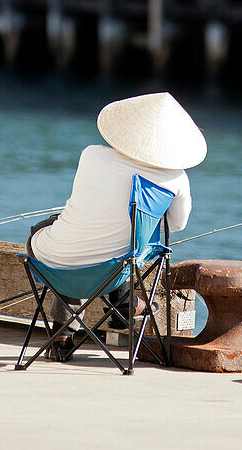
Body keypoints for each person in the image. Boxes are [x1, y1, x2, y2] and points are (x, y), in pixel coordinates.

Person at [26, 91, 207, 359]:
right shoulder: (176, 180)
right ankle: (126, 306)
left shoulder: (92, 155)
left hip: (53, 261)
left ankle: (63, 334)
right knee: (128, 248)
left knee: (46, 231)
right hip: (113, 269)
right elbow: (176, 226)